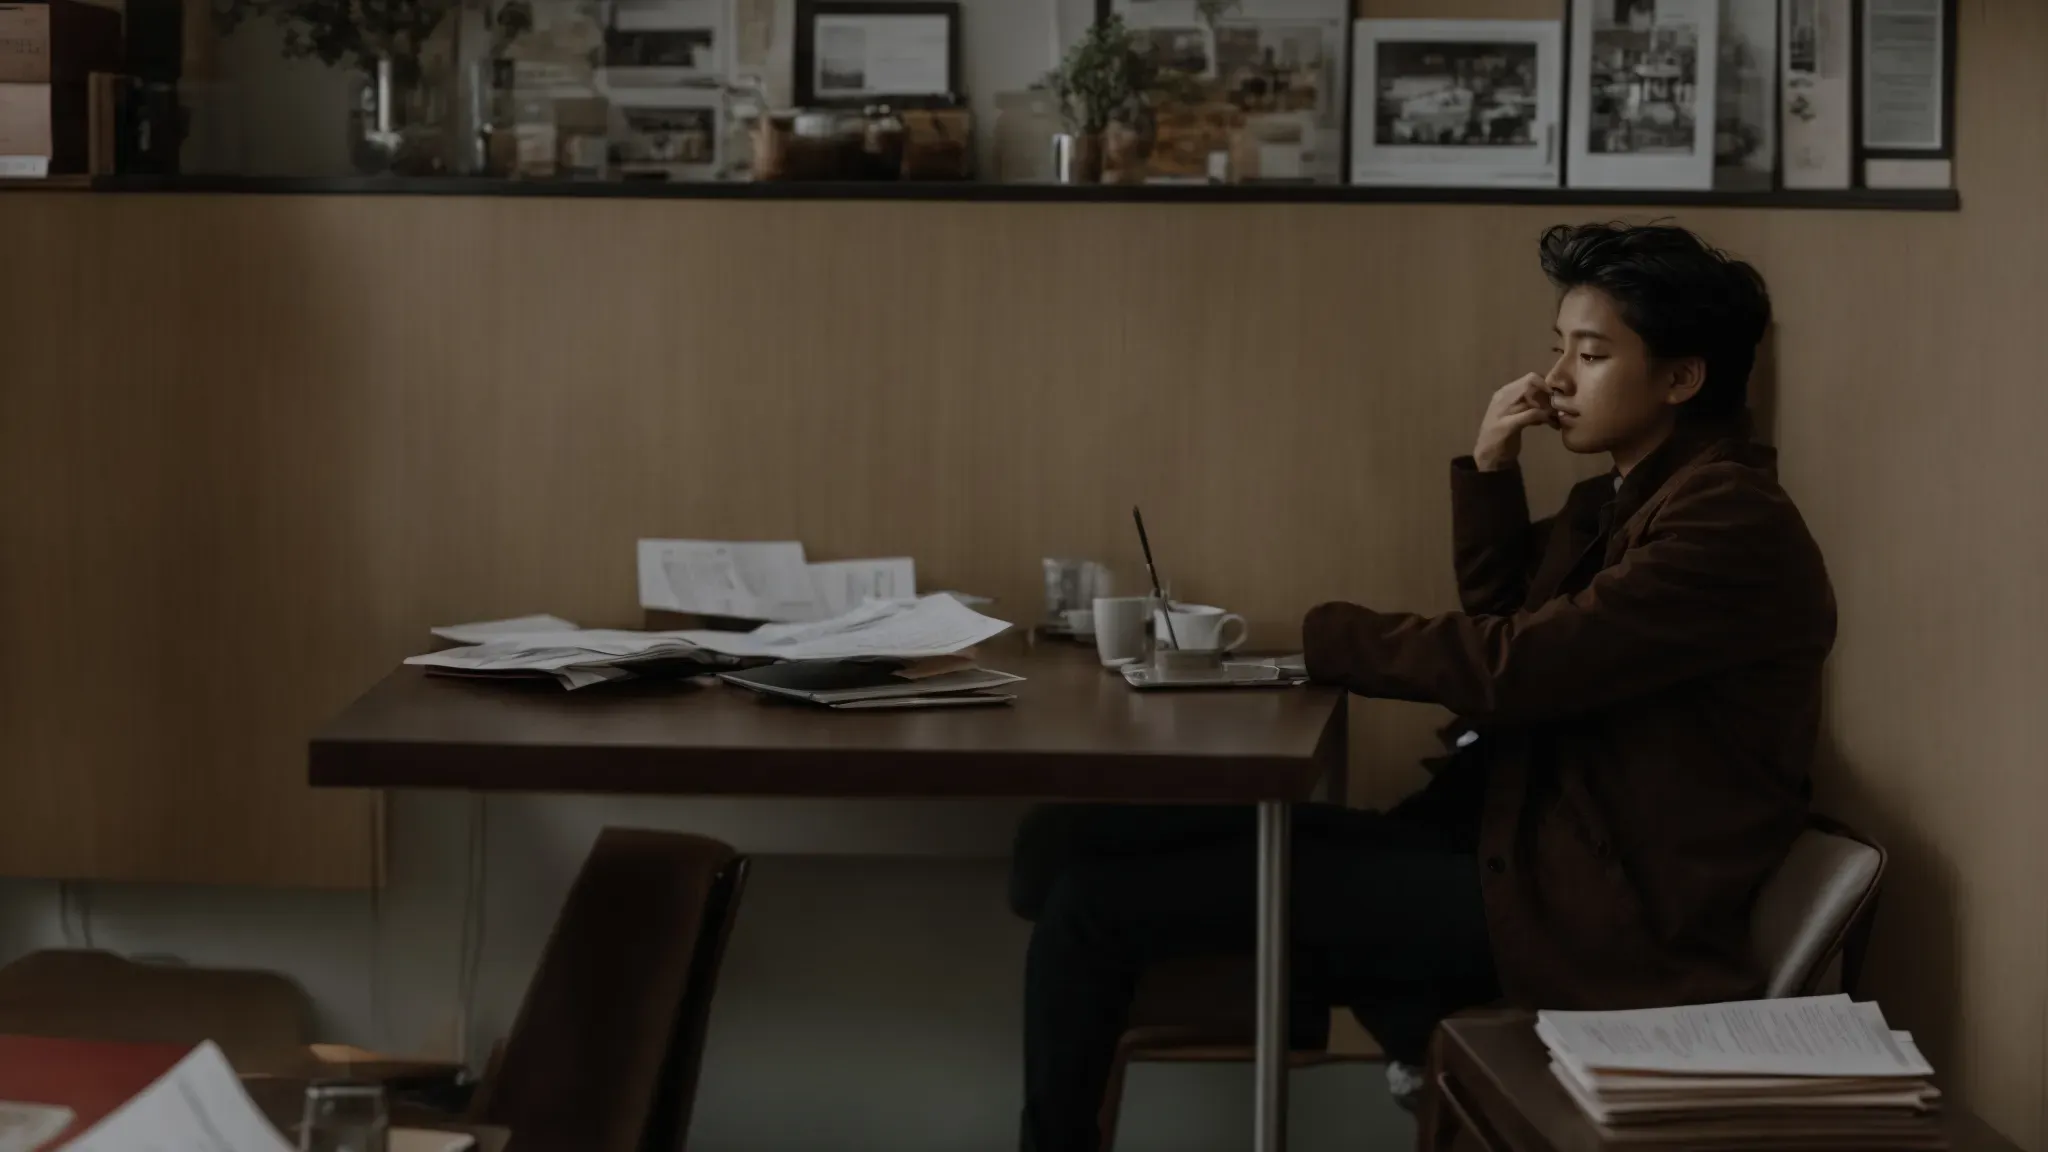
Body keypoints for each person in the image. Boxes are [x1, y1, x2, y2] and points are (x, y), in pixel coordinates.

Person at [1010, 221, 1836, 1152]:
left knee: (1091, 905)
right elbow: (1512, 625)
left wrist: (1319, 639)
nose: (1556, 378)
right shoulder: (1625, 497)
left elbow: (1516, 666)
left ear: (1682, 379)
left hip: (1578, 905)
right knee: (1060, 841)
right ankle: (1381, 1004)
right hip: (1505, 845)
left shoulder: (1727, 522)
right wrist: (1490, 469)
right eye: (1556, 347)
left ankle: (1372, 1004)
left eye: (1592, 354)